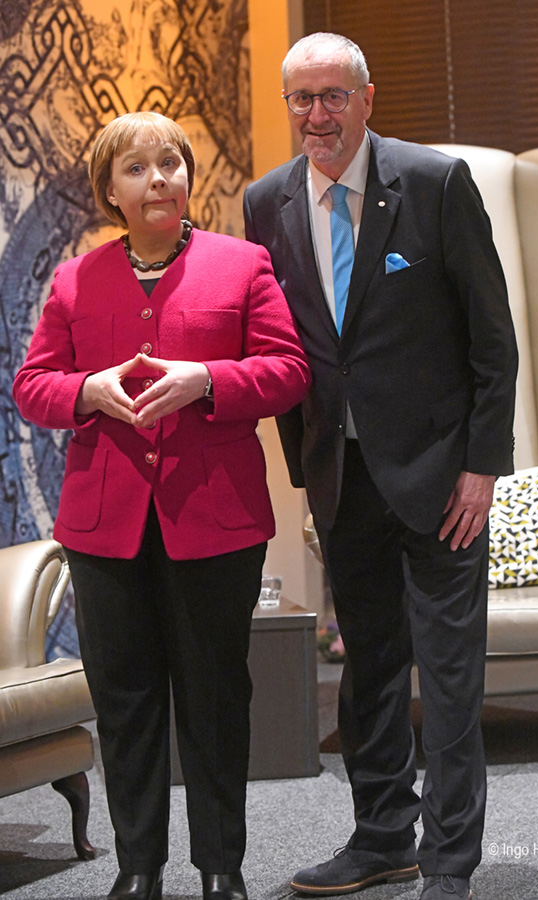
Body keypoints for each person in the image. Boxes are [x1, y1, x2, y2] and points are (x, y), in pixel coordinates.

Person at [243, 32, 518, 900]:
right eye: (301, 98)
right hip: (341, 475)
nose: (317, 115)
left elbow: (492, 341)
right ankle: (381, 837)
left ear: (367, 98)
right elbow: (282, 344)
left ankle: (450, 861)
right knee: (367, 670)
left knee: (449, 673)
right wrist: (304, 470)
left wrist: (481, 468)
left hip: (443, 479)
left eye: (333, 95)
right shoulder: (265, 201)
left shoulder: (435, 182)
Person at [13, 111, 311, 900]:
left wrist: (207, 380)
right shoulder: (75, 280)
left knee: (215, 699)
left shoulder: (242, 265)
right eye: (138, 168)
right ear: (110, 189)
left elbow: (288, 370)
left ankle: (221, 868)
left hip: (216, 518)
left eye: (171, 163)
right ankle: (138, 867)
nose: (159, 180)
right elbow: (32, 386)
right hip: (104, 527)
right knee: (126, 700)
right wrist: (88, 390)